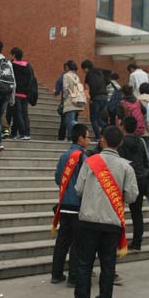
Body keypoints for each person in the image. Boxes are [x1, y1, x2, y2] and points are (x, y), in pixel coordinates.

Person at [73, 125, 138, 298]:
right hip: (112, 223)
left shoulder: (90, 162)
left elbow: (78, 189)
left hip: (88, 221)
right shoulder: (126, 167)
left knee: (84, 264)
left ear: (102, 140)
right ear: (121, 143)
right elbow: (132, 196)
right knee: (108, 266)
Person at [51, 123, 90, 287]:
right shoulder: (82, 157)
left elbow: (58, 178)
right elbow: (87, 181)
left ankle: (56, 274)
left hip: (64, 204)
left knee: (62, 240)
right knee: (77, 242)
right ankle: (73, 277)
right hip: (77, 205)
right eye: (87, 136)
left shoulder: (63, 156)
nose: (89, 140)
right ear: (80, 138)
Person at [117, 116, 149, 252]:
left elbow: (118, 162)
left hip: (124, 179)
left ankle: (117, 241)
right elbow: (147, 161)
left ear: (123, 126)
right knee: (137, 212)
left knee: (117, 210)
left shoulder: (120, 142)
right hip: (140, 180)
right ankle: (137, 242)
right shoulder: (141, 141)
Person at [82, 60, 109, 141]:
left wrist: (92, 98)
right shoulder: (100, 72)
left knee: (93, 118)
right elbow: (107, 82)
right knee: (98, 117)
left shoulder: (90, 74)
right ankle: (107, 128)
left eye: (83, 69)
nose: (83, 71)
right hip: (104, 97)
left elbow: (93, 86)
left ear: (86, 68)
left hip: (96, 98)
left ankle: (98, 137)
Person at [10, 47, 33, 140]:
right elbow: (31, 79)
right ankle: (26, 133)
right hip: (25, 94)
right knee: (24, 114)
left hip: (16, 93)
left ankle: (22, 132)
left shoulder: (12, 65)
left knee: (17, 114)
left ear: (14, 55)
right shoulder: (28, 66)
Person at [62, 60, 85, 141]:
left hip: (70, 101)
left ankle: (78, 128)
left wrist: (64, 97)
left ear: (67, 67)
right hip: (77, 100)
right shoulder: (76, 76)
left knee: (70, 120)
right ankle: (69, 137)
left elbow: (65, 88)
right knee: (70, 120)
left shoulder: (66, 75)